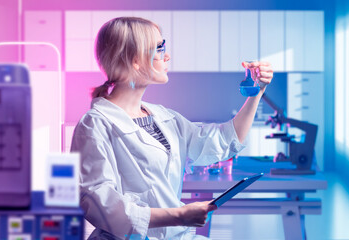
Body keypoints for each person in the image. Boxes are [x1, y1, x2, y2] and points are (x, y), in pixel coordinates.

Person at [70, 17, 273, 240]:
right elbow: (97, 202)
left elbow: (223, 141)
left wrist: (258, 93)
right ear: (135, 60)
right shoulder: (96, 124)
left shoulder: (163, 117)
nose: (167, 56)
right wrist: (178, 216)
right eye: (159, 48)